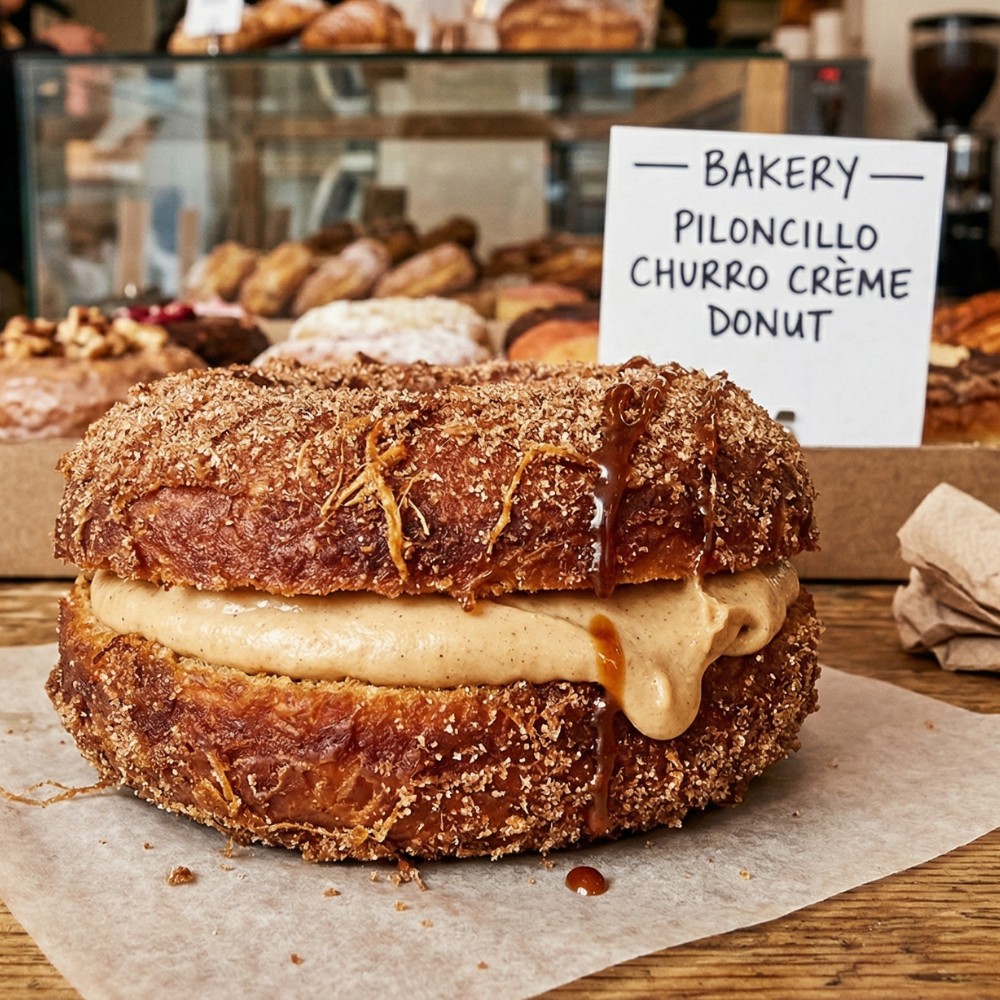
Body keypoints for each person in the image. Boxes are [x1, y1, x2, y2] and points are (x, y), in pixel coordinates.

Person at [0, 0, 103, 319]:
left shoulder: (24, 28)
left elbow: (78, 120)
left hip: (29, 234)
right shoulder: (34, 44)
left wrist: (80, 72)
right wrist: (48, 49)